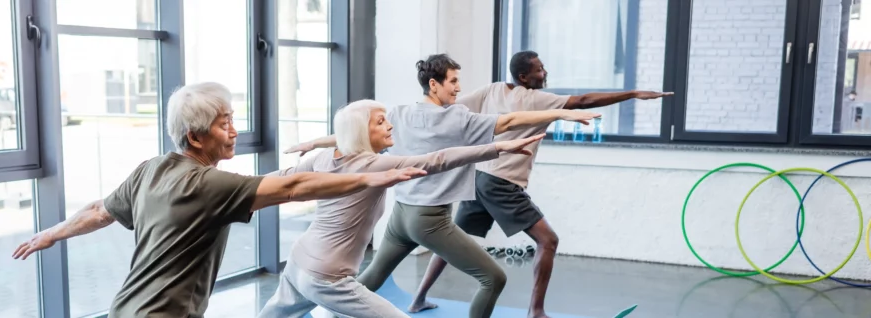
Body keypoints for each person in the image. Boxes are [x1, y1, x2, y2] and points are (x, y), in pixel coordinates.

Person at [10, 82, 428, 318]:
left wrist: (52, 232)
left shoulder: (150, 168)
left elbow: (98, 211)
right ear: (196, 136)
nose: (233, 131)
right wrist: (375, 176)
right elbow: (294, 187)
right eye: (225, 123)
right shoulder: (210, 186)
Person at [283, 54, 602, 318]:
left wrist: (314, 142)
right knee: (493, 279)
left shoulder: (399, 113)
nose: (458, 88)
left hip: (400, 219)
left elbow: (353, 135)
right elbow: (508, 121)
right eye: (453, 82)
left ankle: (323, 311)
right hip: (430, 221)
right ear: (433, 84)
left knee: (370, 280)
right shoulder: (459, 118)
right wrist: (564, 112)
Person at [409, 50, 673, 318]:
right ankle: (536, 312)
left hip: (478, 178)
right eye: (539, 69)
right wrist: (633, 93)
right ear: (524, 76)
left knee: (452, 240)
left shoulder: (492, 90)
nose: (544, 73)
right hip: (500, 183)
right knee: (548, 241)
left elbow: (446, 107)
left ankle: (418, 299)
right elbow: (583, 100)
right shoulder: (538, 99)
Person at [256, 99, 546, 318]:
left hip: (299, 262)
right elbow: (438, 159)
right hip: (328, 278)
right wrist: (498, 148)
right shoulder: (374, 164)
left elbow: (281, 178)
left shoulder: (323, 157)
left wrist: (230, 188)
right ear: (361, 131)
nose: (390, 125)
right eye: (380, 122)